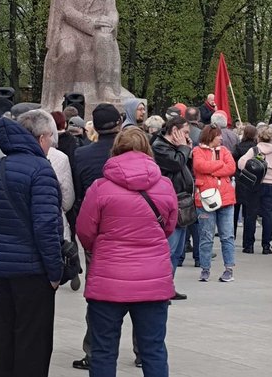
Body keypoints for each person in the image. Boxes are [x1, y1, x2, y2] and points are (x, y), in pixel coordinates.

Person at [77, 127, 178, 377]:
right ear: (147, 149)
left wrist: (100, 249)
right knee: (153, 349)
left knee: (103, 350)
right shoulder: (164, 185)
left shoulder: (100, 187)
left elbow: (84, 230)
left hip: (109, 279)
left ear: (116, 150)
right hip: (153, 280)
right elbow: (169, 226)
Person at [0, 110, 64, 377]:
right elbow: (46, 226)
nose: (52, 142)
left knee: (5, 339)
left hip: (5, 268)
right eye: (51, 136)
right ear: (41, 138)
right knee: (33, 344)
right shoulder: (42, 170)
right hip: (33, 271)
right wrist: (55, 272)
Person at [68, 103, 134, 370]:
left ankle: (94, 350)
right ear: (120, 123)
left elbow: (74, 195)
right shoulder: (133, 153)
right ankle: (141, 349)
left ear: (93, 126)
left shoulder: (82, 155)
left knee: (98, 294)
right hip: (133, 231)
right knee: (141, 291)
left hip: (97, 232)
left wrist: (80, 229)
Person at [151, 116, 193, 299]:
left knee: (177, 251)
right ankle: (161, 288)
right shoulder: (160, 146)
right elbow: (176, 163)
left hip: (183, 201)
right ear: (174, 130)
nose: (187, 137)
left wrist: (184, 148)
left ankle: (169, 286)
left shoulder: (177, 148)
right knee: (169, 248)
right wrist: (184, 148)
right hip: (170, 202)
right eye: (185, 132)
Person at [192, 124, 237, 282]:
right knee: (206, 236)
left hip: (226, 199)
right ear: (210, 136)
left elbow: (231, 168)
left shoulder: (225, 151)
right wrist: (219, 166)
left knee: (227, 236)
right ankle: (205, 269)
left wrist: (209, 170)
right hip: (205, 199)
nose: (221, 138)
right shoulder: (197, 151)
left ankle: (229, 268)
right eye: (218, 135)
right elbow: (199, 166)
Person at [237, 125, 272, 254]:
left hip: (255, 184)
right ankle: (266, 245)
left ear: (259, 137)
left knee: (251, 214)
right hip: (271, 185)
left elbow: (241, 163)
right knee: (268, 215)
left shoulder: (255, 150)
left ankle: (248, 245)